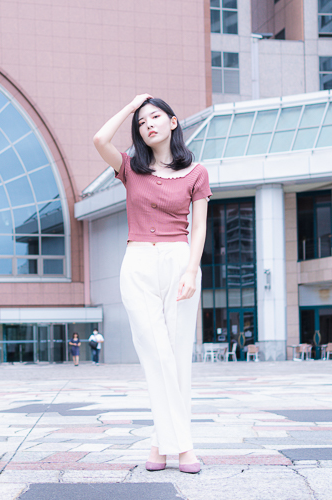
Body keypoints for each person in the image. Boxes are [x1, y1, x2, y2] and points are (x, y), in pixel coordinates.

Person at [92, 94, 210, 474]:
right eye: (141, 122)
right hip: (139, 262)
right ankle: (185, 448)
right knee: (156, 355)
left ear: (173, 122)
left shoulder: (197, 173)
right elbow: (99, 140)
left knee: (177, 358)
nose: (148, 124)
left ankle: (161, 445)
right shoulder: (129, 168)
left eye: (155, 117)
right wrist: (129, 106)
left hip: (179, 262)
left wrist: (191, 270)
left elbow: (200, 227)